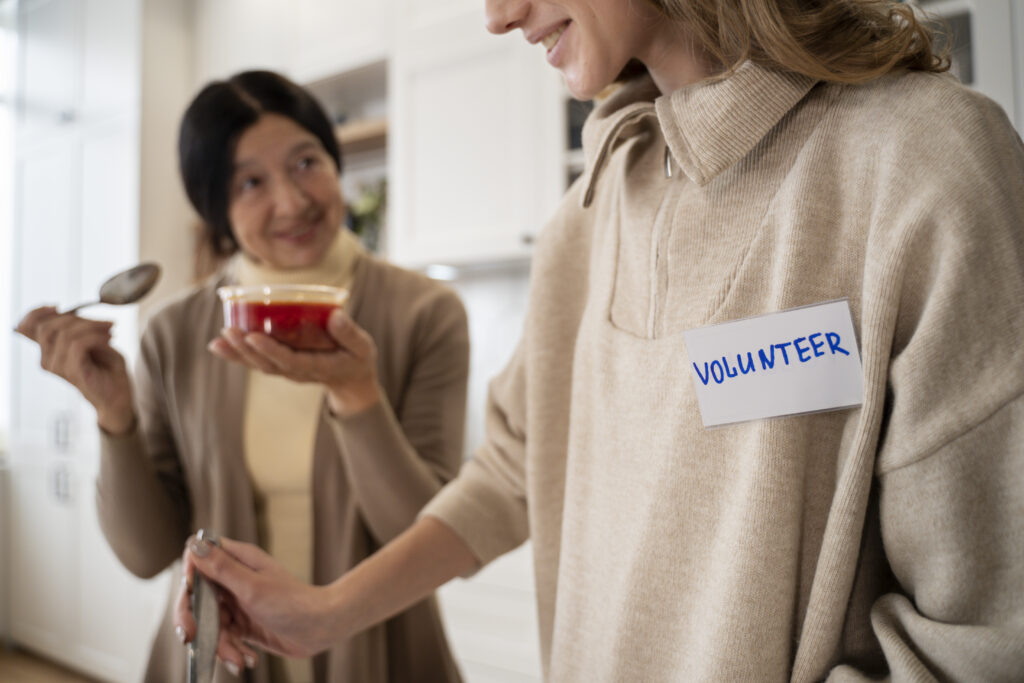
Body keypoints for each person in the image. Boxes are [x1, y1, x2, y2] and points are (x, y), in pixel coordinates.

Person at [177, 1, 1024, 680]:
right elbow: (512, 466)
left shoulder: (922, 166)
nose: (498, 16)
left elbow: (983, 638)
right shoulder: (582, 222)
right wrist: (324, 612)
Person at [16, 70, 469, 683]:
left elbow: (428, 538)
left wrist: (356, 393)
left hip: (380, 655)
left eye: (306, 162)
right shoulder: (174, 333)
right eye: (250, 182)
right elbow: (146, 553)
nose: (291, 200)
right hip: (223, 656)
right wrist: (115, 417)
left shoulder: (422, 313)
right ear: (218, 210)